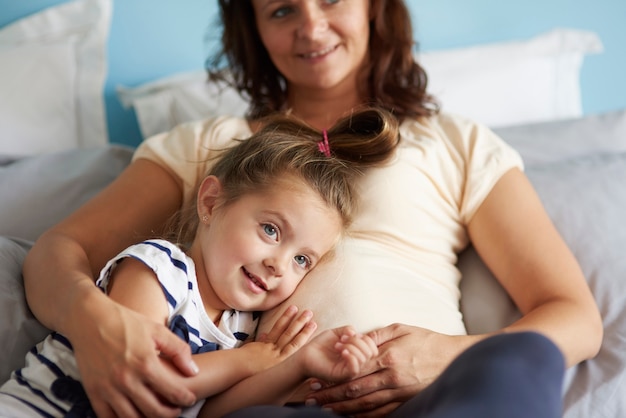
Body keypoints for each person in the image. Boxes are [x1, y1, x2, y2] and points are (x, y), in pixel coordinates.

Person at [20, 0, 603, 417]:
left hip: (431, 400)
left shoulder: (454, 142)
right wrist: (97, 326)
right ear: (253, 27)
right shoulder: (212, 146)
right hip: (273, 405)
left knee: (521, 358)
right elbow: (57, 253)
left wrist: (446, 356)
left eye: (330, 0)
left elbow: (574, 318)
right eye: (280, 11)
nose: (311, 26)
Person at [0, 108, 395, 417]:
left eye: (302, 260)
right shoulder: (157, 269)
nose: (279, 265)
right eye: (271, 231)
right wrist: (247, 361)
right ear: (210, 203)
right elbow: (150, 379)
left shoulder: (241, 328)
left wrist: (296, 365)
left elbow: (210, 412)